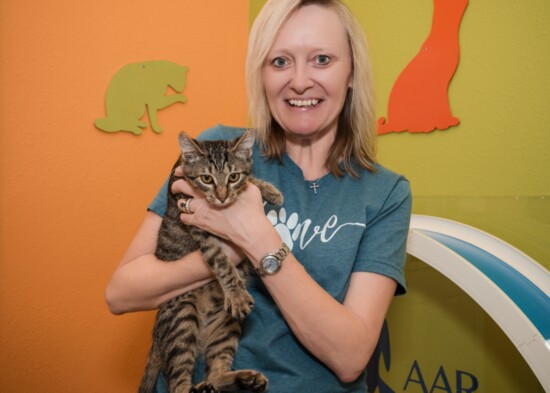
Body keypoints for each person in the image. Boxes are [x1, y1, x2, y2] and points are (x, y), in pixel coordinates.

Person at [105, 0, 412, 392]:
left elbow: (351, 357)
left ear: (352, 72)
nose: (300, 81)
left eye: (321, 59)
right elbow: (121, 292)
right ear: (261, 74)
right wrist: (228, 253)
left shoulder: (385, 193)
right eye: (280, 61)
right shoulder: (218, 149)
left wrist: (255, 234)